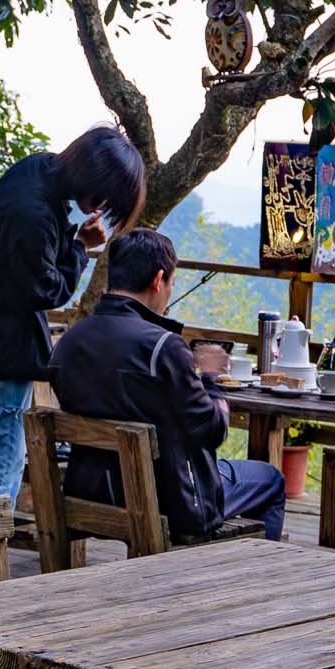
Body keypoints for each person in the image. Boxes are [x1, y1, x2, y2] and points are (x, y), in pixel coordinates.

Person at [0, 125, 147, 590]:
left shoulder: (35, 171)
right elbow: (47, 290)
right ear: (94, 182)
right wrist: (81, 249)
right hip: (1, 350)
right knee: (3, 458)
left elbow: (34, 262)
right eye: (105, 199)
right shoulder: (34, 216)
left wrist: (70, 240)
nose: (102, 210)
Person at [46, 228, 286, 543]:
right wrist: (211, 381)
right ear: (158, 280)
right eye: (172, 284)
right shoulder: (163, 348)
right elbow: (211, 431)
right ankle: (247, 581)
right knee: (270, 479)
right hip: (172, 500)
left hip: (91, 490)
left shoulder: (69, 342)